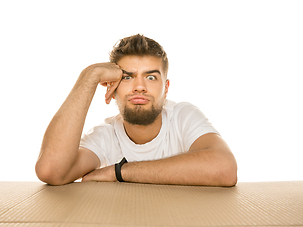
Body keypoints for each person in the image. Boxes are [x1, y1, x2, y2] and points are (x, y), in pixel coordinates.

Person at [35, 34, 237, 186]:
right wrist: (90, 75)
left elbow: (225, 169)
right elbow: (51, 171)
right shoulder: (105, 136)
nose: (139, 86)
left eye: (150, 77)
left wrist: (119, 172)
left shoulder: (183, 117)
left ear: (166, 88)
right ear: (111, 88)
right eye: (127, 77)